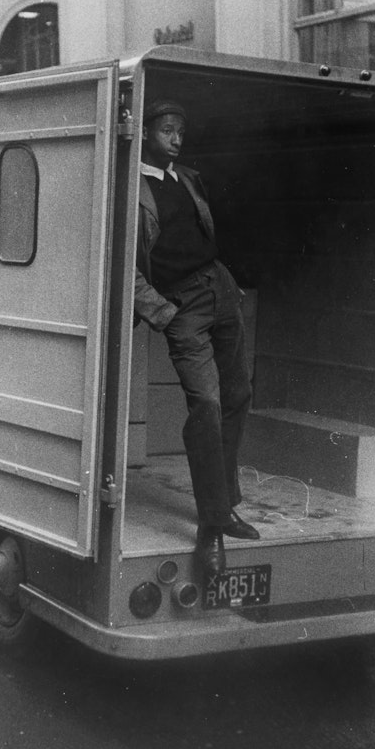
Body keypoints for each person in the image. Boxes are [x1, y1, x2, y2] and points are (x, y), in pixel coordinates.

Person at [134, 98, 260, 576]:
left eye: (180, 132)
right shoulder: (130, 189)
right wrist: (162, 312)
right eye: (167, 130)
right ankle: (213, 523)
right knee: (206, 404)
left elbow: (203, 234)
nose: (176, 139)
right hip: (182, 304)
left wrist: (228, 283)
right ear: (145, 133)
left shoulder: (187, 178)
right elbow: (121, 264)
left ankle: (224, 502)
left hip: (219, 289)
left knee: (237, 394)